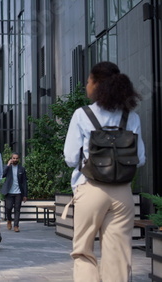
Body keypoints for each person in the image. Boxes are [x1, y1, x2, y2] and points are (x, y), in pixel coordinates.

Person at [63, 61, 146, 282]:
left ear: (97, 84)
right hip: (122, 192)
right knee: (118, 255)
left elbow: (71, 158)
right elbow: (140, 159)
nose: (86, 85)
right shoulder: (131, 117)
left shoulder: (82, 115)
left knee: (83, 251)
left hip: (91, 188)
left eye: (89, 81)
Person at [0, 152, 28, 232]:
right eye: (13, 158)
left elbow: (24, 182)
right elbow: (2, 175)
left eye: (16, 158)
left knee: (17, 209)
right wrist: (8, 164)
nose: (15, 159)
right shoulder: (8, 167)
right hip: (9, 192)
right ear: (11, 159)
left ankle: (16, 226)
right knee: (8, 208)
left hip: (18, 192)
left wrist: (25, 195)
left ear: (18, 159)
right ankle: (9, 220)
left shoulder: (21, 169)